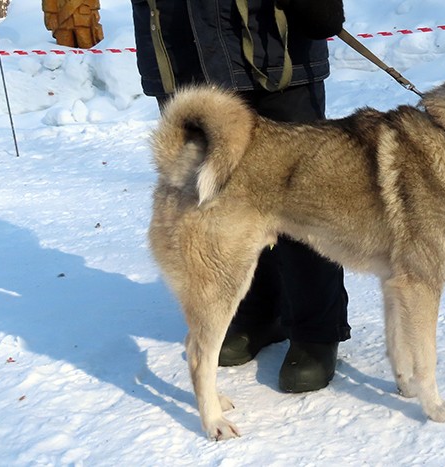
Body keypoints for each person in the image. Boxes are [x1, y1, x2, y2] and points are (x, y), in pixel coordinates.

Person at [131, 0, 350, 393]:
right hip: (179, 42)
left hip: (273, 46)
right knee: (216, 209)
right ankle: (256, 313)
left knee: (305, 201)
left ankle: (315, 330)